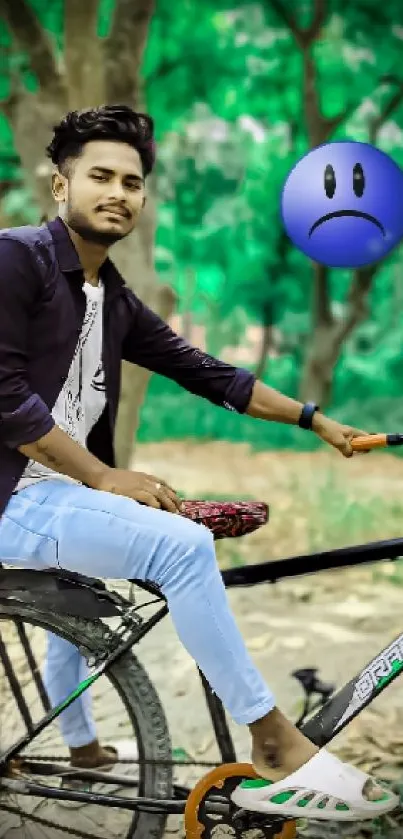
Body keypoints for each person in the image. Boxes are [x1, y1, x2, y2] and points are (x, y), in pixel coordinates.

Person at [0, 105, 397, 822]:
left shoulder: (111, 296)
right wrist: (102, 475)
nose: (117, 191)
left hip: (53, 498)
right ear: (60, 186)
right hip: (9, 496)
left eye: (131, 181)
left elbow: (210, 373)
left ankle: (83, 746)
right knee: (180, 546)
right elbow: (3, 394)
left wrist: (316, 421)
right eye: (99, 176)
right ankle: (273, 743)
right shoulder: (16, 256)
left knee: (93, 586)